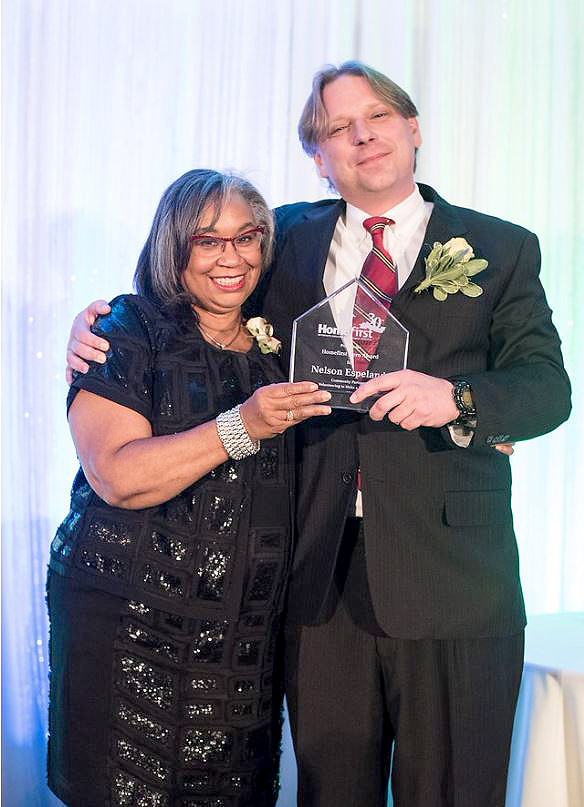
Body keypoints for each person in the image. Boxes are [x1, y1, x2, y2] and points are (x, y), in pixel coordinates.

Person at [66, 63, 571, 807]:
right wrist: (97, 318)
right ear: (319, 156)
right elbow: (200, 289)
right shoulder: (284, 241)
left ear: (414, 130)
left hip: (455, 582)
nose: (362, 135)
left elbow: (546, 390)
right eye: (338, 127)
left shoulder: (502, 249)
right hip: (313, 578)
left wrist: (458, 398)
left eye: (378, 117)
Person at [48, 168, 331, 807]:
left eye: (247, 237)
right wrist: (242, 426)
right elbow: (116, 476)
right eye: (207, 240)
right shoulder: (127, 329)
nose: (231, 258)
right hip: (131, 626)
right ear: (175, 247)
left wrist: (478, 420)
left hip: (242, 641)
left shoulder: (280, 343)